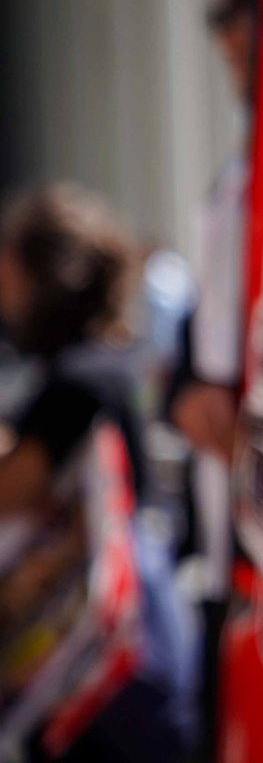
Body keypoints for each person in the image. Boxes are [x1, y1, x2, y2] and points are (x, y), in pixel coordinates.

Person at [0, 185, 193, 762]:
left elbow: (15, 489)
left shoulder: (79, 380)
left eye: (8, 280)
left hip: (106, 673)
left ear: (45, 280)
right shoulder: (115, 363)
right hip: (140, 660)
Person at [164, 0, 257, 763]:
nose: (243, 81)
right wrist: (185, 391)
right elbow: (203, 324)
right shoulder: (238, 172)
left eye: (251, 56)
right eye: (232, 64)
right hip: (227, 538)